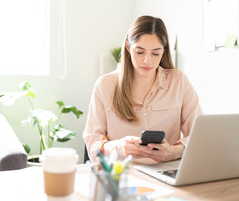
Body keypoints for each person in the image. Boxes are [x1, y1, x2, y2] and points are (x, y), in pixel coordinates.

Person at [83, 15, 202, 164]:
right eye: (140, 52)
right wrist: (117, 147)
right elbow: (92, 144)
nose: (147, 61)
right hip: (122, 175)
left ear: (164, 51)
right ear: (128, 48)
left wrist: (172, 152)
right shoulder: (105, 85)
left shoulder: (179, 82)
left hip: (166, 175)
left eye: (155, 53)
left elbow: (199, 137)